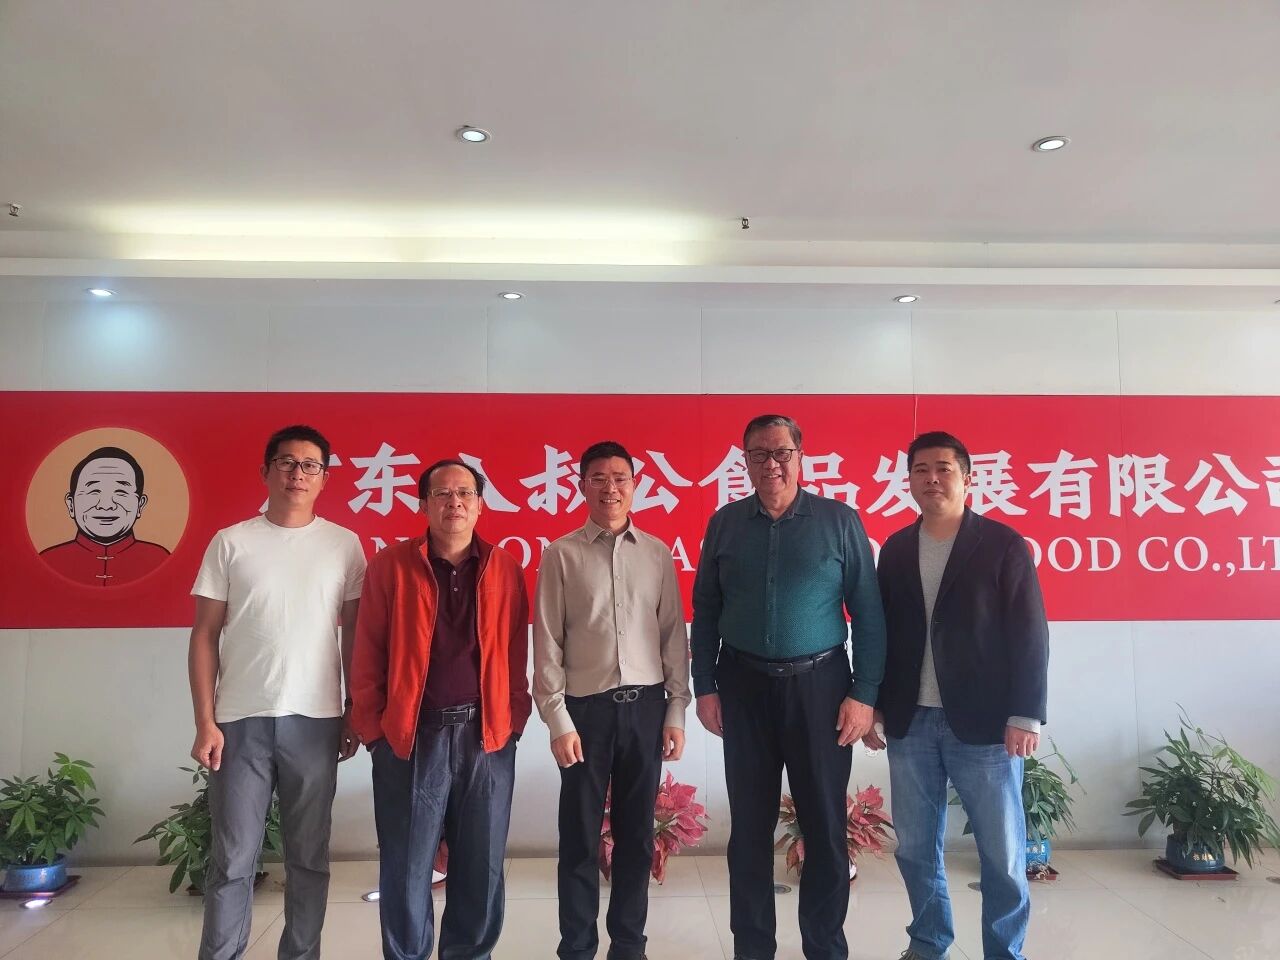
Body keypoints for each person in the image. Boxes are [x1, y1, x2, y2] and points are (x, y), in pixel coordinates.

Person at [690, 413, 886, 960]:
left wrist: (864, 694)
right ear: (745, 461)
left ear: (800, 456)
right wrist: (705, 686)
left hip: (822, 690)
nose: (771, 464)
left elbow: (869, 615)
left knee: (824, 827)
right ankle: (752, 948)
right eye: (759, 454)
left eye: (781, 453)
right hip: (743, 688)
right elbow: (706, 609)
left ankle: (825, 947)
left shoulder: (839, 521)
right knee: (749, 831)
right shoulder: (726, 524)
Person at [864, 430, 1049, 960]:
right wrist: (875, 705)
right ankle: (928, 944)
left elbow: (1030, 631)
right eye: (920, 470)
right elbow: (881, 632)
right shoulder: (896, 549)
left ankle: (1004, 952)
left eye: (943, 468)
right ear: (908, 481)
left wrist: (1025, 714)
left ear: (967, 478)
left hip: (986, 724)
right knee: (916, 849)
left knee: (1002, 854)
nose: (932, 479)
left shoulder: (1002, 544)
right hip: (912, 722)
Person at [189, 424, 366, 960]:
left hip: (316, 721)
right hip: (238, 721)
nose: (298, 474)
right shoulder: (232, 542)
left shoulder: (343, 545)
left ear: (324, 478)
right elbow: (204, 635)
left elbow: (354, 635)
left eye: (310, 465)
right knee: (232, 859)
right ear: (266, 471)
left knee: (308, 858)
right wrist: (205, 721)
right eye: (287, 462)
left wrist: (353, 708)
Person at [350, 458, 531, 960]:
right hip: (411, 738)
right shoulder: (391, 566)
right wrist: (375, 733)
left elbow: (516, 652)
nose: (455, 503)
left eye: (465, 494)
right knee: (407, 868)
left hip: (486, 737)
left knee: (481, 867)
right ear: (423, 504)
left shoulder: (504, 567)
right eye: (442, 494)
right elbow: (367, 652)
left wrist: (513, 721)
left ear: (480, 504)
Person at [533, 440, 692, 960]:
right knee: (579, 838)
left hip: (645, 709)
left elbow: (672, 637)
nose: (610, 488)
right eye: (598, 478)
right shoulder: (561, 554)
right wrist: (558, 720)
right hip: (586, 713)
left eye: (620, 478)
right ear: (581, 486)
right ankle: (577, 947)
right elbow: (548, 643)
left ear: (635, 485)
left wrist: (675, 710)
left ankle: (629, 945)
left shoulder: (656, 554)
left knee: (637, 837)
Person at [40, 445, 169, 586]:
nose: (106, 505)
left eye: (121, 492)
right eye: (93, 491)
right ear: (71, 505)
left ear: (140, 505)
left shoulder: (161, 560)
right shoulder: (48, 561)